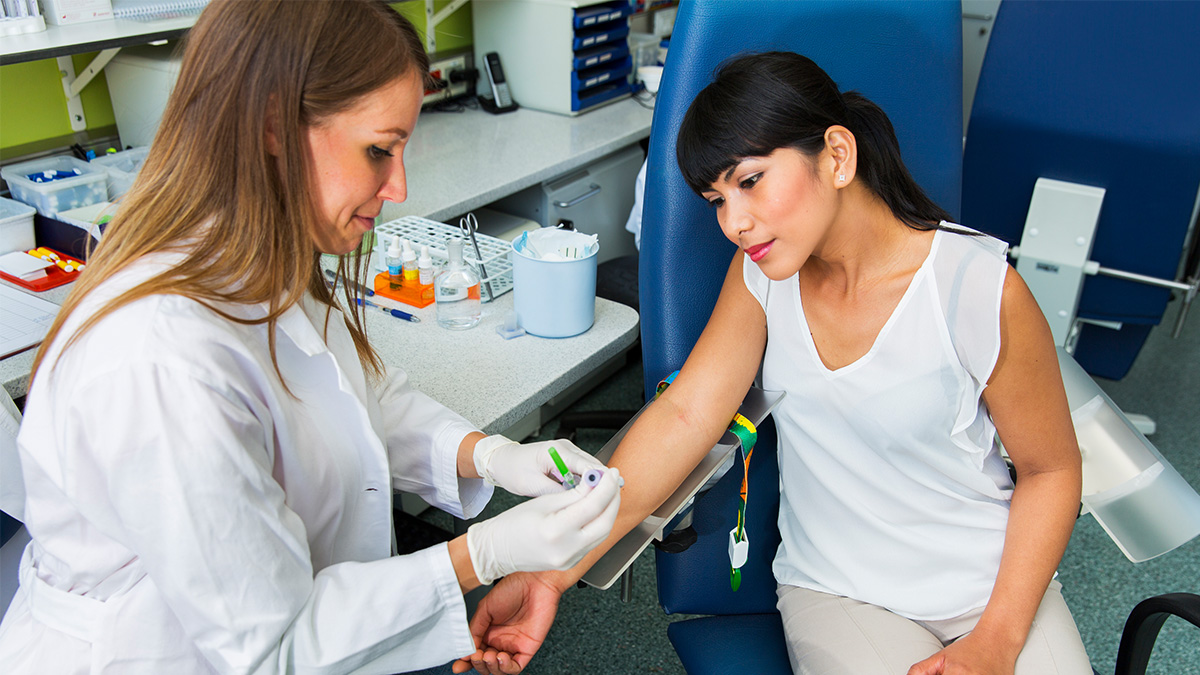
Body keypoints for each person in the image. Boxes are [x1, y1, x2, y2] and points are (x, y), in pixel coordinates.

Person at [0, 1, 622, 673]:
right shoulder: (157, 359)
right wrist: (481, 554)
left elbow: (352, 399)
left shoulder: (259, 252)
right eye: (379, 149)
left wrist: (491, 455)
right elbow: (273, 643)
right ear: (273, 125)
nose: (399, 186)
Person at [457, 52, 1094, 675]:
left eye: (750, 181)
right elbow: (684, 418)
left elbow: (1052, 470)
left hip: (993, 588)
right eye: (715, 199)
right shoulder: (761, 277)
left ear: (837, 156)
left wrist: (997, 641)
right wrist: (552, 570)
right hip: (844, 593)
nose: (733, 222)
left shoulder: (978, 288)